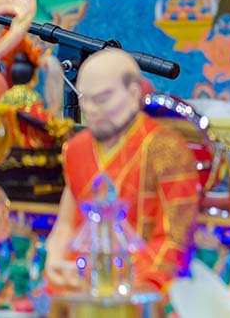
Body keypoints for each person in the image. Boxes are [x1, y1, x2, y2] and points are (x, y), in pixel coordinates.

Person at [44, 49, 200, 293]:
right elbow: (66, 224)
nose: (92, 109)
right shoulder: (76, 149)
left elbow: (175, 240)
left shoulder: (166, 149)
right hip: (83, 275)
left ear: (133, 93)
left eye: (103, 98)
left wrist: (120, 277)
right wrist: (55, 258)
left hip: (141, 278)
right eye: (85, 98)